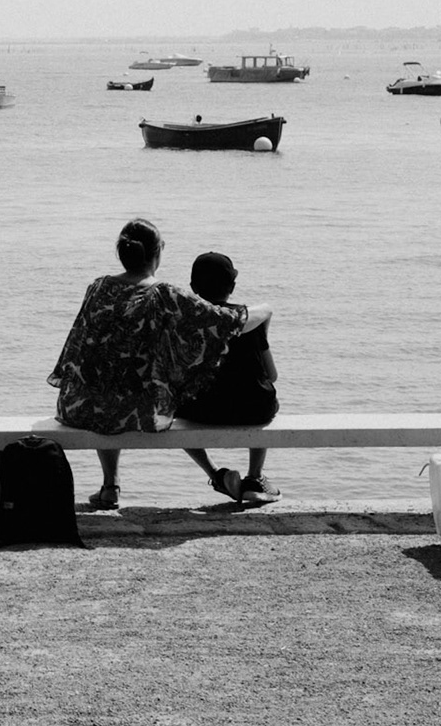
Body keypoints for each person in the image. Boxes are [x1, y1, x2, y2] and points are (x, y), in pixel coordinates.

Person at [48, 218, 271, 511]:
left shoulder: (98, 286)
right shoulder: (164, 294)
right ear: (158, 252)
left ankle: (110, 485)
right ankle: (217, 475)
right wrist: (265, 310)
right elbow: (226, 321)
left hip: (79, 404)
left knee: (108, 381)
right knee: (144, 388)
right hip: (137, 411)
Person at [176, 252, 282, 504]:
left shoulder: (187, 324)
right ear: (232, 287)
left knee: (173, 413)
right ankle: (255, 477)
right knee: (264, 396)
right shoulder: (249, 321)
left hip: (202, 411)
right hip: (253, 410)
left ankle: (216, 474)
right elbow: (272, 375)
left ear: (193, 288)